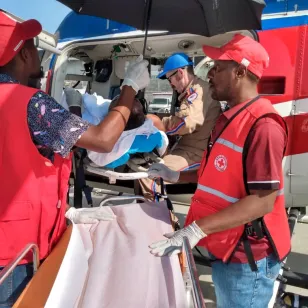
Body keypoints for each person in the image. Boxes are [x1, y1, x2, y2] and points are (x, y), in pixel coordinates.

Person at [0, 12, 149, 307]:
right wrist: (130, 87)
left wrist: (64, 210)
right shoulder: (31, 104)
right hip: (17, 256)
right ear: (25, 54)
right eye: (34, 50)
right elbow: (103, 140)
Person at [147, 34, 291, 308]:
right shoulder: (229, 117)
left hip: (247, 260)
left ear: (240, 72)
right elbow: (217, 172)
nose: (209, 73)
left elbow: (264, 200)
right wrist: (178, 176)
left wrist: (196, 230)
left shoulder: (264, 125)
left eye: (218, 67)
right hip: (227, 247)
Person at [139, 52, 221, 200]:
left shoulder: (197, 91)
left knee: (149, 176)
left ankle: (159, 220)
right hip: (185, 149)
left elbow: (186, 123)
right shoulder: (193, 91)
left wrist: (158, 123)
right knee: (146, 165)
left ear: (180, 74)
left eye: (170, 79)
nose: (170, 85)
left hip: (195, 154)